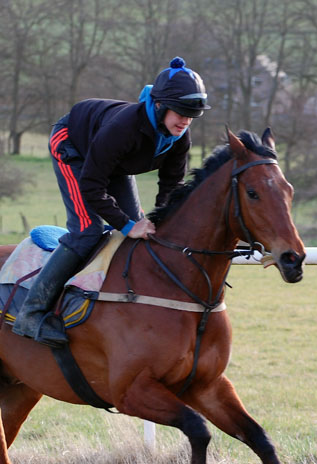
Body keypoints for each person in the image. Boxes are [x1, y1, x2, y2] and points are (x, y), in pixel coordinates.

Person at [13, 57, 211, 346]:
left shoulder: (180, 136)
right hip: (72, 146)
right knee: (87, 232)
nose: (185, 121)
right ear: (159, 105)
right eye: (180, 112)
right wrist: (127, 224)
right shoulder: (124, 128)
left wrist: (160, 222)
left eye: (192, 115)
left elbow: (171, 186)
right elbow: (92, 185)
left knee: (144, 232)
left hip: (112, 162)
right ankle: (30, 314)